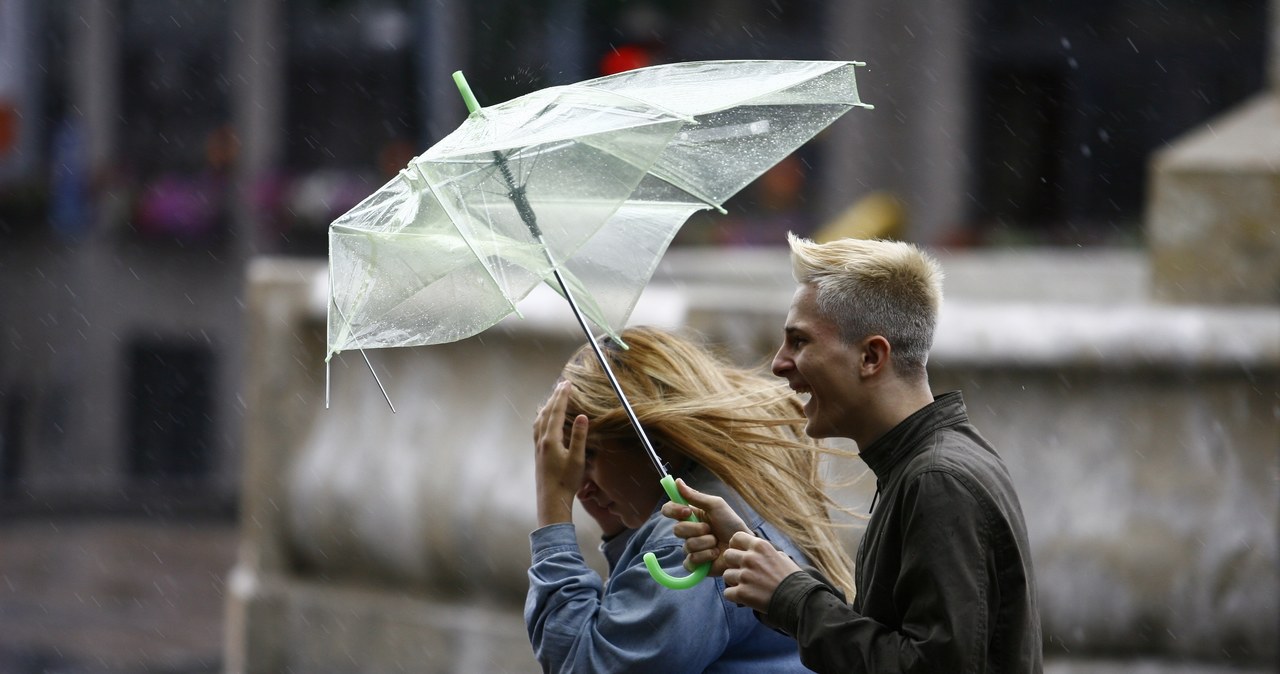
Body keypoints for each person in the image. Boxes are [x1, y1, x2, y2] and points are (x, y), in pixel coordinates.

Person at [663, 233, 1043, 673]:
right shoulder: (929, 465)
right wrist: (758, 562)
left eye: (800, 342)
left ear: (870, 357)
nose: (778, 363)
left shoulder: (937, 480)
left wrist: (793, 596)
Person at [526, 325, 858, 673]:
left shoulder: (687, 538)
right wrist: (618, 528)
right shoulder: (735, 491)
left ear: (654, 440)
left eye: (589, 455)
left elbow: (583, 664)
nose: (578, 485)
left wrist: (553, 513)